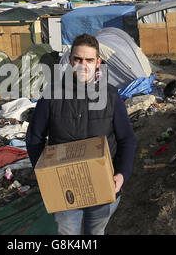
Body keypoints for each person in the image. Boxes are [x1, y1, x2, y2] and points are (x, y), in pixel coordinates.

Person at [26, 33, 136, 235]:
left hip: (103, 183)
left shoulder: (111, 97)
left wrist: (122, 174)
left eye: (89, 60)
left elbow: (127, 139)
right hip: (64, 185)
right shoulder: (51, 96)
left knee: (95, 232)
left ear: (98, 62)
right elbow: (34, 138)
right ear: (69, 60)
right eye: (78, 59)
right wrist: (42, 173)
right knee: (67, 233)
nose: (82, 65)